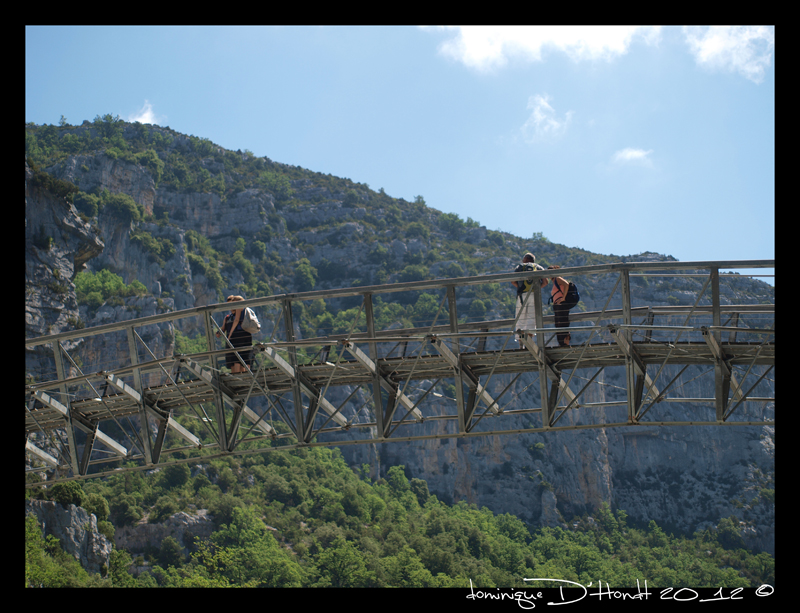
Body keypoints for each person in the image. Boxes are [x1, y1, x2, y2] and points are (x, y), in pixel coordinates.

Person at [511, 253, 546, 343]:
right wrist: (537, 288)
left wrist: (519, 287)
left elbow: (513, 280)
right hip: (534, 295)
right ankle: (530, 343)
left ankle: (521, 344)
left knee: (521, 318)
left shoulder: (520, 267)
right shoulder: (538, 267)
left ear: (526, 259)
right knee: (531, 319)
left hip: (522, 295)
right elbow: (545, 282)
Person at [216, 295, 253, 374]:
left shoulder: (239, 310)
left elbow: (236, 321)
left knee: (238, 359)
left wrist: (229, 335)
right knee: (239, 360)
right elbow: (223, 328)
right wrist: (219, 333)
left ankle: (240, 378)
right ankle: (245, 377)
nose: (232, 307)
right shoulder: (228, 317)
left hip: (237, 337)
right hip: (240, 337)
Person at [547, 265, 572, 347]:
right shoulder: (555, 281)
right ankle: (562, 343)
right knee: (559, 324)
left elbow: (566, 284)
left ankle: (564, 344)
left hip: (561, 305)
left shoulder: (557, 278)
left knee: (562, 324)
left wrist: (563, 298)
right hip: (558, 306)